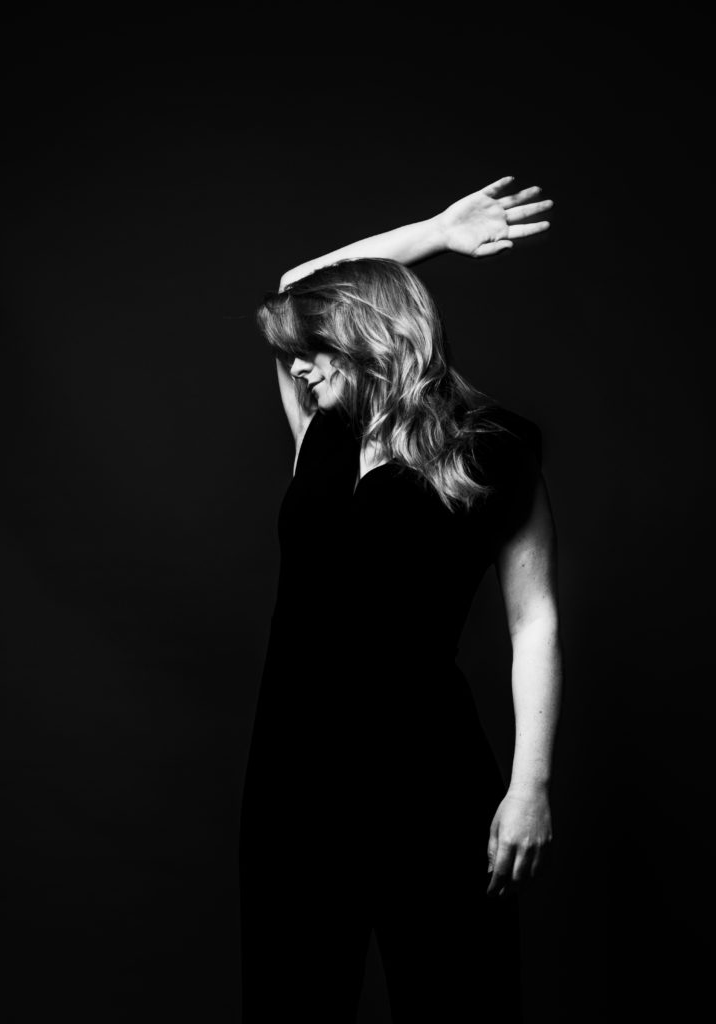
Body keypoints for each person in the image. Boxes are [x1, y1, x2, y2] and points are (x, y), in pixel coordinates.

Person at [239, 176, 562, 1023]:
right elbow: (295, 286)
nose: (299, 364)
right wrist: (439, 233)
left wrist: (528, 785)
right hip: (293, 784)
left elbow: (534, 622)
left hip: (429, 780)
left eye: (317, 347)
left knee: (461, 1002)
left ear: (370, 336)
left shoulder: (496, 451)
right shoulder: (318, 431)